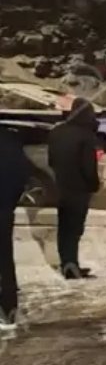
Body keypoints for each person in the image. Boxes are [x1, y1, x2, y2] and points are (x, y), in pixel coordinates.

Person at [48, 97, 101, 279]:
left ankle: (67, 264)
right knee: (74, 229)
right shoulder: (86, 135)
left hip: (61, 186)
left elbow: (51, 161)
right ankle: (72, 266)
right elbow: (88, 167)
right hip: (79, 189)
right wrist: (94, 185)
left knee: (64, 228)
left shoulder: (56, 132)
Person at [0, 126, 29, 331]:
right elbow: (22, 176)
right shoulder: (11, 141)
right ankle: (9, 308)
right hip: (4, 209)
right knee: (5, 259)